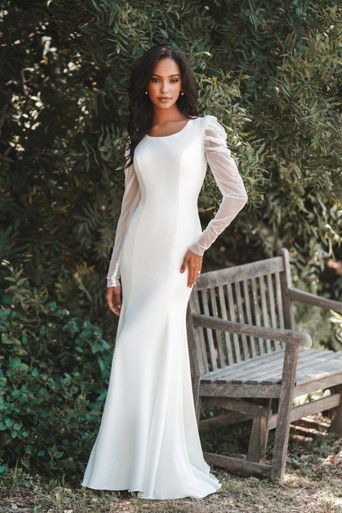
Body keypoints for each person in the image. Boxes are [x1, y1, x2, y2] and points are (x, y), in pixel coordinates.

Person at [81, 44, 248, 500]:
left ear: (184, 83)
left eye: (173, 80)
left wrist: (200, 245)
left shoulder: (202, 131)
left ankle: (159, 465)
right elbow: (127, 210)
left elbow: (236, 196)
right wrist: (113, 273)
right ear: (146, 83)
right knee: (134, 350)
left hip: (177, 255)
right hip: (139, 252)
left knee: (147, 345)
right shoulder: (139, 136)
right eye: (157, 79)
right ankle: (128, 468)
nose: (165, 88)